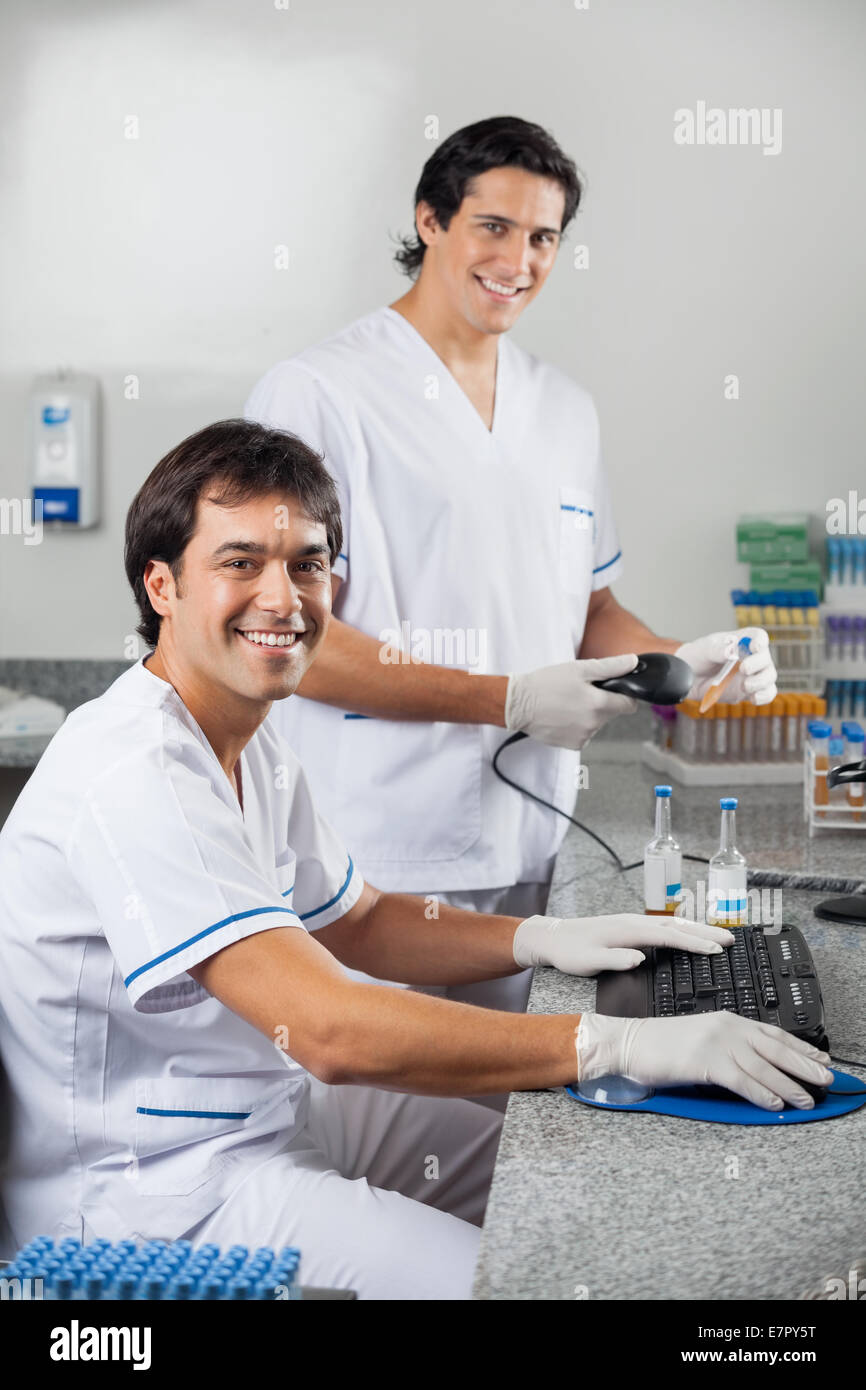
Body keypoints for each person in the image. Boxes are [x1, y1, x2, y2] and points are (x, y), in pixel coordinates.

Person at [0, 421, 830, 1300]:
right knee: (521, 1284)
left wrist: (541, 939)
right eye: (240, 563)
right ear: (161, 585)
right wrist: (613, 1042)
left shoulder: (248, 737)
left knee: (568, 1197)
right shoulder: (134, 768)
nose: (283, 598)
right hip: (158, 1192)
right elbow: (329, 1030)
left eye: (308, 564)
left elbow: (356, 920)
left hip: (273, 1111)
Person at [245, 116, 777, 1017]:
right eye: (494, 226)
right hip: (374, 862)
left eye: (544, 237)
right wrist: (511, 699)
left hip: (541, 843)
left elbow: (588, 608)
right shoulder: (320, 395)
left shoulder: (565, 410)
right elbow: (285, 644)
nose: (519, 259)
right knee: (373, 1136)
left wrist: (685, 662)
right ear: (430, 221)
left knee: (508, 1142)